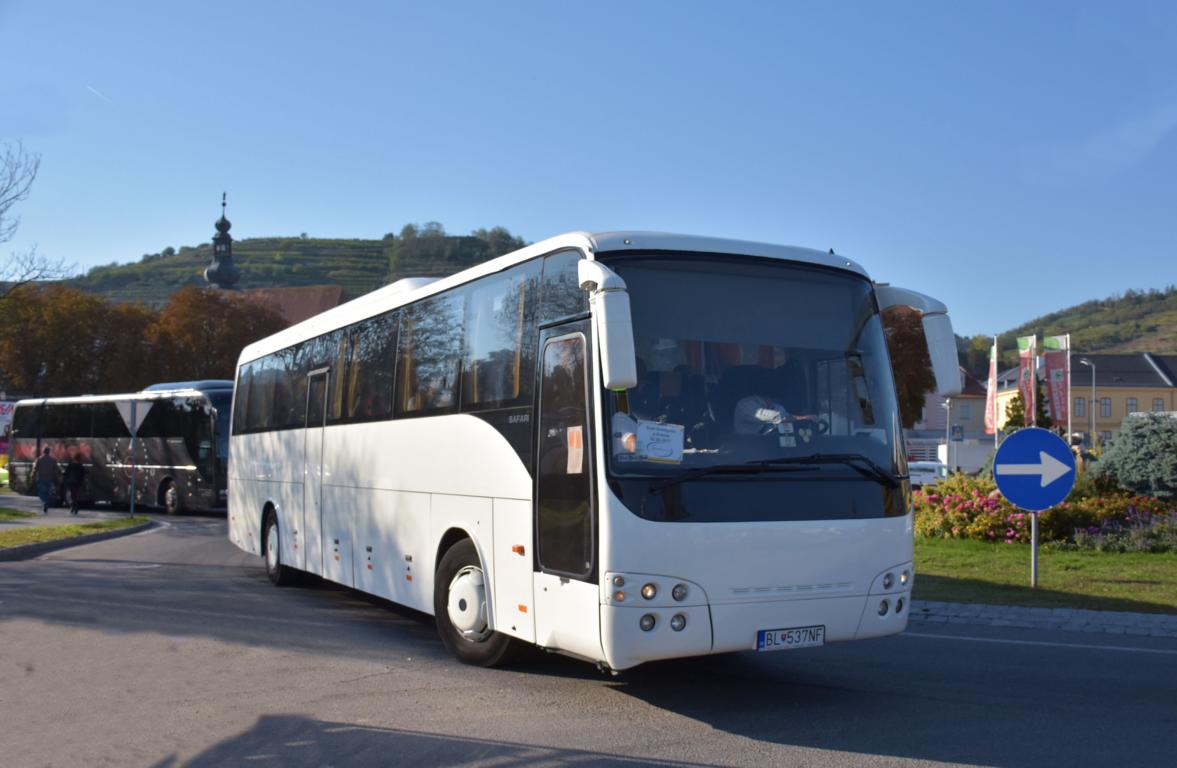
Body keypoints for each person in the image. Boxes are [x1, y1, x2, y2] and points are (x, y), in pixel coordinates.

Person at [33, 447, 59, 514]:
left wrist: (33, 476)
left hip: (41, 478)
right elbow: (56, 470)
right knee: (47, 491)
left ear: (43, 452)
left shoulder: (39, 459)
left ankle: (45, 502)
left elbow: (35, 469)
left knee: (41, 492)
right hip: (49, 478)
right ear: (49, 452)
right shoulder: (53, 460)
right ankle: (46, 502)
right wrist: (56, 477)